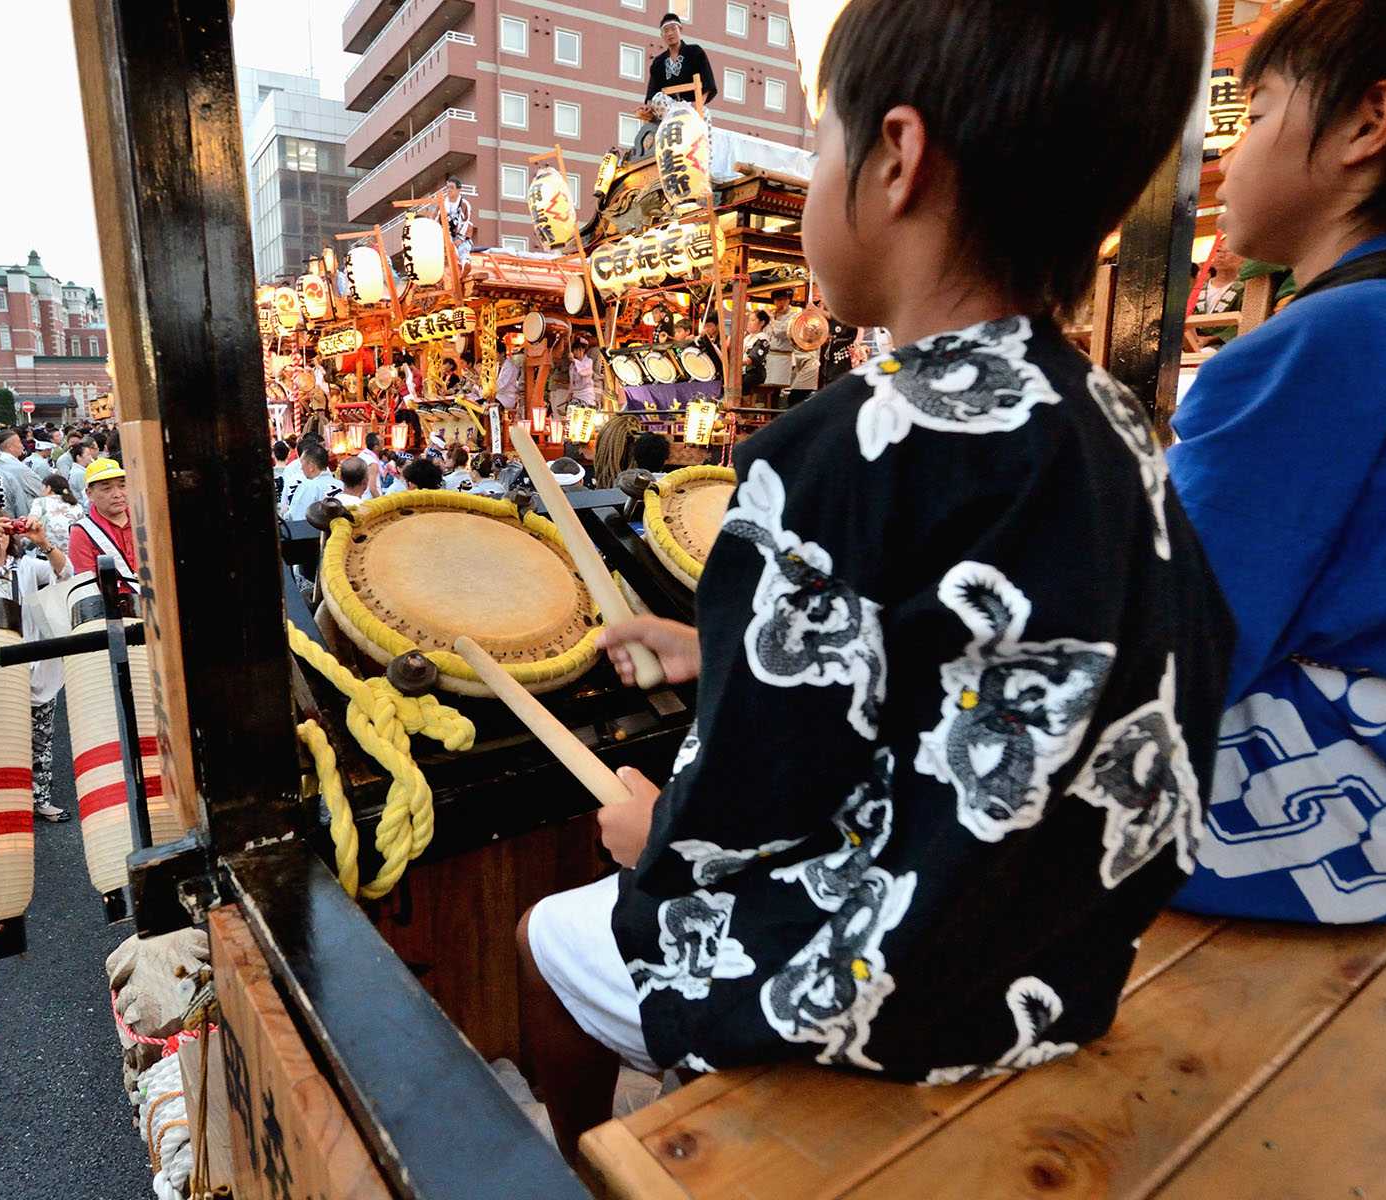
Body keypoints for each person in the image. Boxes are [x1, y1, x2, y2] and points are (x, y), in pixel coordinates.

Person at [517, 0, 1228, 1157]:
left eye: (820, 145)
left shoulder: (833, 454)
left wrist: (652, 838)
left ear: (896, 159)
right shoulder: (1118, 435)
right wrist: (717, 642)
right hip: (1054, 972)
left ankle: (578, 1168)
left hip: (873, 993)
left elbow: (745, 809)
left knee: (546, 938)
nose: (812, 180)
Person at [1165, 0, 1386, 925]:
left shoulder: (1325, 340)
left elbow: (1177, 639)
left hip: (1355, 799)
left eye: (1256, 112)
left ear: (1366, 124)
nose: (1232, 155)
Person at [0, 506, 73, 822]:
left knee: (41, 737)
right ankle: (2, 802)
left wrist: (42, 541)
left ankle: (40, 798)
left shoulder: (26, 566)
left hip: (37, 660)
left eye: (2, 533)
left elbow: (65, 573)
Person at [68, 456, 138, 580]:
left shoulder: (143, 521)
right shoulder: (82, 533)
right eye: (107, 489)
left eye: (122, 486)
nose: (117, 495)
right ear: (90, 494)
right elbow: (88, 586)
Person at [639, 12, 717, 120]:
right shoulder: (658, 62)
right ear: (662, 35)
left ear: (680, 30)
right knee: (658, 98)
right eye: (666, 31)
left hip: (691, 104)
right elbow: (653, 88)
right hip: (668, 107)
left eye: (673, 29)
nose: (670, 34)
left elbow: (708, 82)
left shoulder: (695, 52)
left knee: (705, 116)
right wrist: (648, 104)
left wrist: (697, 104)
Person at [30, 473, 84, 552]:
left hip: (49, 554)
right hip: (73, 553)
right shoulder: (77, 505)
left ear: (48, 488)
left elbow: (33, 518)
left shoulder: (41, 502)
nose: (41, 490)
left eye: (43, 487)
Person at [281, 443, 335, 520]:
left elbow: (297, 517)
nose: (301, 467)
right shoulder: (341, 485)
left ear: (311, 466)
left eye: (302, 463)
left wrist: (285, 514)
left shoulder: (307, 487)